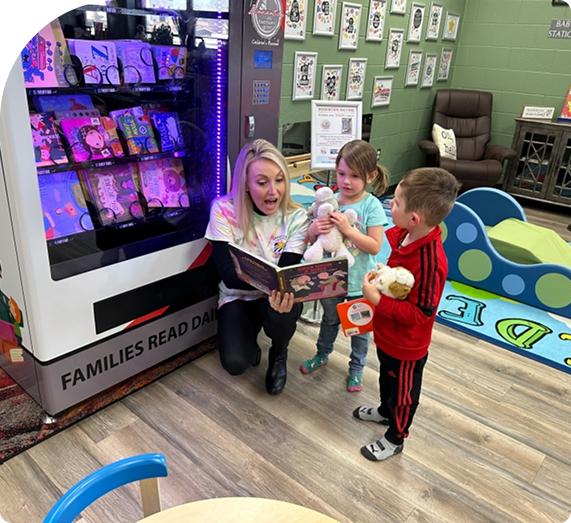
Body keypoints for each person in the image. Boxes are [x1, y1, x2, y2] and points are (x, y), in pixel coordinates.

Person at [356, 167, 461, 461]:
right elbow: (399, 282)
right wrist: (382, 277)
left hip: (407, 345)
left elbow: (421, 312)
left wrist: (376, 299)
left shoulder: (430, 261)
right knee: (387, 381)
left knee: (403, 393)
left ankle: (395, 437)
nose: (390, 203)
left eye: (397, 202)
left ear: (415, 218)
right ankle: (385, 412)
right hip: (387, 334)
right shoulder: (405, 236)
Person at [204, 139, 309, 395]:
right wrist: (270, 282)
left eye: (280, 180)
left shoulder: (297, 217)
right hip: (238, 294)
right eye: (262, 182)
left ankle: (279, 350)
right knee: (235, 363)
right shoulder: (223, 210)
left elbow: (286, 274)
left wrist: (282, 292)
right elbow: (228, 276)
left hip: (275, 299)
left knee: (283, 308)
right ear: (246, 185)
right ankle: (252, 342)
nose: (273, 191)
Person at [299, 140, 389, 392]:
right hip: (331, 280)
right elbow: (312, 241)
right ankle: (322, 354)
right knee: (329, 321)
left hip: (360, 283)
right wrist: (314, 230)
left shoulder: (370, 205)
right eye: (341, 174)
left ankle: (357, 370)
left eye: (355, 176)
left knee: (359, 331)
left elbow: (374, 246)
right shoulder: (330, 202)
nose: (346, 181)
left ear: (370, 176)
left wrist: (348, 230)